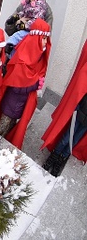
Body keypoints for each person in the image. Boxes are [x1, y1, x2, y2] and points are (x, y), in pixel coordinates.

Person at [0, 19, 51, 149]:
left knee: (7, 129)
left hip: (19, 105)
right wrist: (35, 83)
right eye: (43, 38)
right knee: (0, 128)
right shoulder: (23, 55)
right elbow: (16, 84)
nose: (46, 42)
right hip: (12, 104)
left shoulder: (37, 55)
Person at [41, 38, 87, 176]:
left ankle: (61, 158)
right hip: (81, 110)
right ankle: (54, 156)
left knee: (75, 138)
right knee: (67, 136)